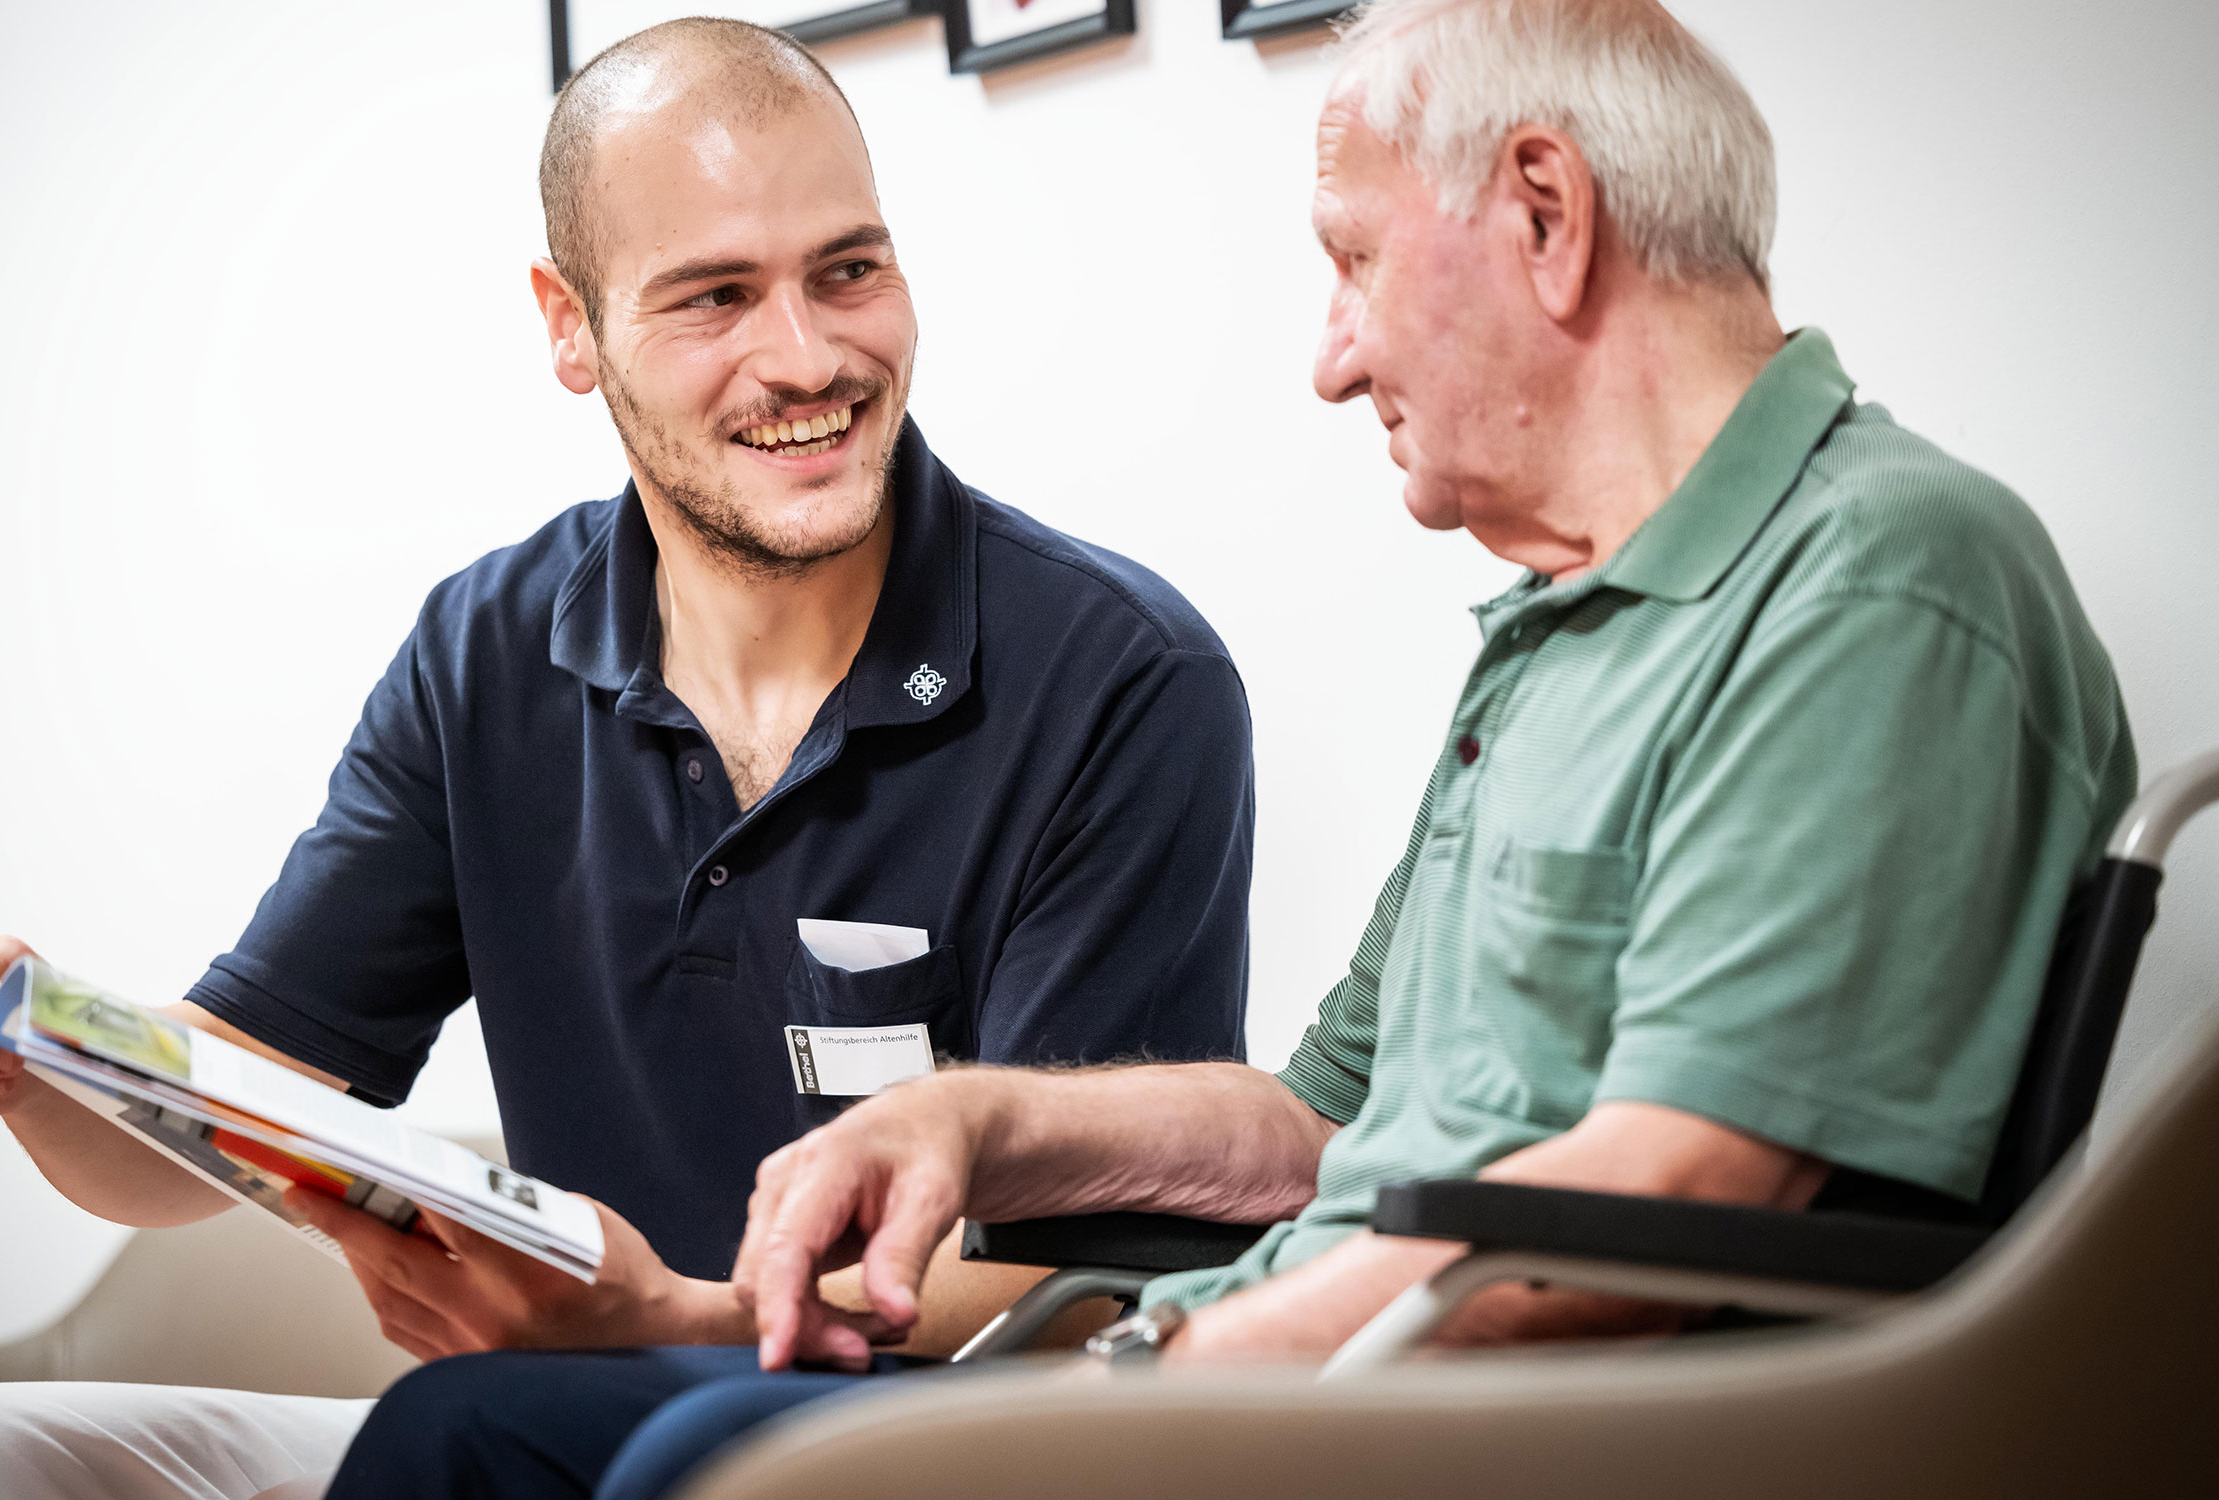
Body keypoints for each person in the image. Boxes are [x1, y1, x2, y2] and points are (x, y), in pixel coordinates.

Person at [314, 0, 2137, 1496]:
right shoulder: (1570, 633)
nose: (1333, 358)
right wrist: (980, 1116)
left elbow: (1676, 1198)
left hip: (1512, 1426)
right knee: (490, 1441)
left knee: (640, 1464)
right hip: (1324, 1376)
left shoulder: (1879, 580)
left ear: (1545, 213)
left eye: (1351, 263)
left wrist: (1168, 1363)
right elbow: (1320, 1118)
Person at [0, 18, 1256, 1500]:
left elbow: (1093, 1294)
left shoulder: (1124, 678)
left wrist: (679, 1319)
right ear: (570, 324)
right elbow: (226, 1114)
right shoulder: (485, 651)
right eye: (714, 297)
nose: (807, 356)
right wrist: (32, 1062)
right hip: (548, 1431)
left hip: (916, 1444)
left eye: (847, 270)